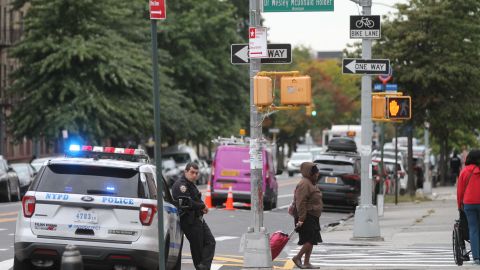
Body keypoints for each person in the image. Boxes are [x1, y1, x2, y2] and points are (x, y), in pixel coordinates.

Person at [172, 162, 215, 270]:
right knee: (198, 250)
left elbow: (194, 200)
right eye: (192, 172)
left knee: (210, 242)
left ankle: (203, 267)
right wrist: (202, 206)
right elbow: (187, 202)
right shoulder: (181, 185)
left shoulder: (190, 184)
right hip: (189, 221)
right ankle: (201, 267)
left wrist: (201, 206)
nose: (195, 175)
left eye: (196, 173)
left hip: (198, 219)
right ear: (185, 171)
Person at [292, 162, 323, 269]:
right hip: (306, 216)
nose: (317, 174)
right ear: (310, 173)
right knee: (310, 240)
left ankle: (306, 263)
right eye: (315, 173)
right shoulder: (304, 184)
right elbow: (300, 202)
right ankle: (297, 257)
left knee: (311, 240)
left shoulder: (311, 182)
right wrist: (301, 219)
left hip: (312, 216)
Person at [457, 150, 480, 265]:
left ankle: (476, 257)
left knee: (473, 228)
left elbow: (460, 191)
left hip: (469, 204)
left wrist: (459, 205)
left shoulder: (464, 171)